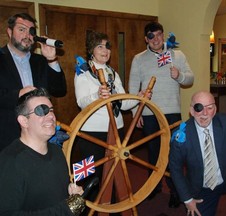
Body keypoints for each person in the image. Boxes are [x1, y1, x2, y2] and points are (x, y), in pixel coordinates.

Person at [74, 31, 149, 208]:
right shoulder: (83, 71)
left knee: (115, 173)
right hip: (92, 133)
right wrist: (97, 95)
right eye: (100, 46)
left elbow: (122, 104)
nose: (105, 50)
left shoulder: (113, 74)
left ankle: (112, 207)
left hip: (116, 130)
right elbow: (81, 102)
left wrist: (139, 97)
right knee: (91, 174)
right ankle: (90, 209)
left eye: (107, 46)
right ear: (91, 50)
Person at [128, 21, 194, 207]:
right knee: (153, 153)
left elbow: (190, 78)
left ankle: (176, 191)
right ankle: (153, 187)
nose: (156, 39)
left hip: (172, 114)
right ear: (145, 39)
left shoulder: (177, 54)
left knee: (175, 155)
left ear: (163, 35)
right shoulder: (139, 59)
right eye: (151, 36)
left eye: (159, 35)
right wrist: (136, 111)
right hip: (149, 114)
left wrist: (179, 75)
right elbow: (133, 88)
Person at [0, 88, 84, 216]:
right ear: (24, 121)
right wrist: (66, 209)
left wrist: (69, 192)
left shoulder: (57, 151)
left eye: (51, 110)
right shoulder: (11, 162)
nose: (51, 116)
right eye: (41, 110)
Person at [0, 13, 67, 152]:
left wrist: (52, 59)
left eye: (31, 31)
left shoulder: (40, 61)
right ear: (9, 31)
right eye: (21, 29)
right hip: (7, 137)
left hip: (41, 137)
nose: (27, 34)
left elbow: (60, 90)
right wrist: (19, 94)